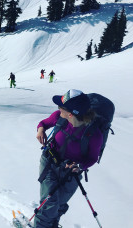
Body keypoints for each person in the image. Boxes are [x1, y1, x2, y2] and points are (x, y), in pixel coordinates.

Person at [34, 89, 103, 228]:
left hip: (71, 173)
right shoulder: (59, 117)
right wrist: (40, 130)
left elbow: (92, 158)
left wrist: (80, 166)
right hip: (50, 163)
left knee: (60, 204)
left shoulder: (94, 134)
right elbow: (44, 123)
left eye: (61, 107)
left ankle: (52, 225)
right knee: (49, 204)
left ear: (70, 114)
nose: (58, 109)